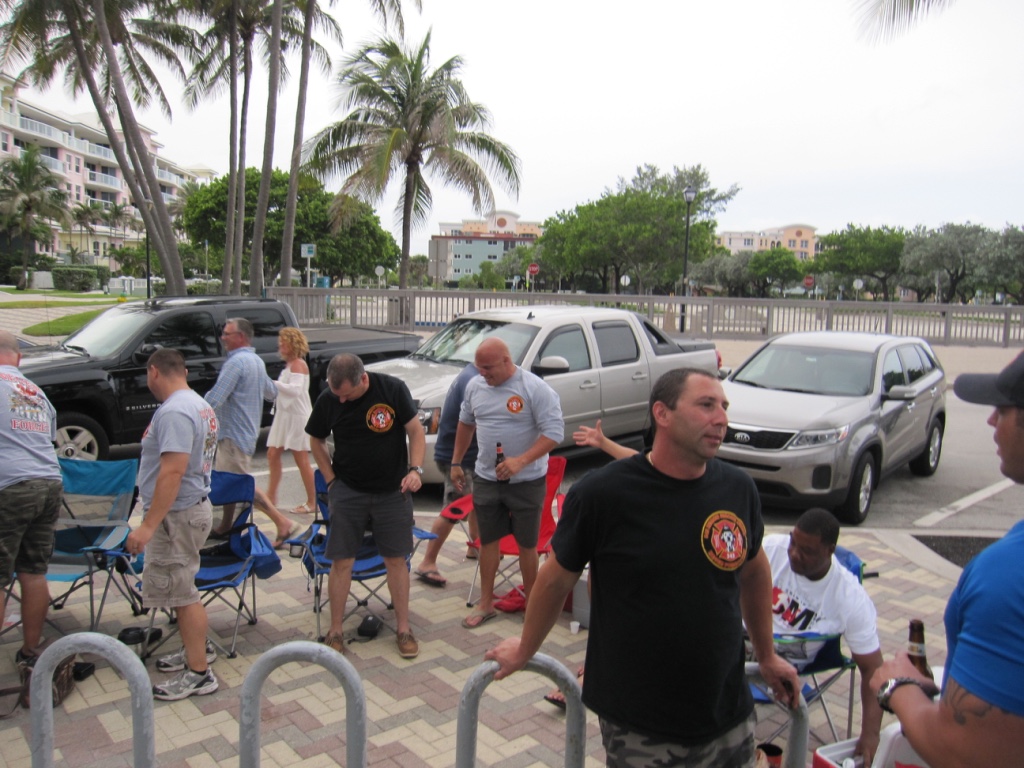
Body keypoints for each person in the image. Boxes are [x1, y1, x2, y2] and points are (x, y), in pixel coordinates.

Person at [486, 368, 800, 768]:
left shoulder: (738, 489)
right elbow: (554, 581)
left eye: (723, 406)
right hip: (640, 723)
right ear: (662, 414)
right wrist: (525, 648)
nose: (721, 418)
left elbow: (754, 573)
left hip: (726, 714)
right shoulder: (603, 494)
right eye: (706, 405)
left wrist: (767, 655)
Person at [868, 352, 1024, 767]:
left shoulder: (1005, 577)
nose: (991, 420)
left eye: (1003, 409)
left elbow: (964, 751)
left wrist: (898, 687)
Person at [306, 353, 426, 659]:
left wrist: (415, 470)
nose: (342, 400)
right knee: (341, 561)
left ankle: (403, 629)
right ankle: (335, 631)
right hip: (348, 491)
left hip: (393, 491)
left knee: (396, 560)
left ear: (363, 379)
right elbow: (315, 440)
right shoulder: (329, 399)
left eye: (347, 395)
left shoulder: (392, 389)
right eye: (337, 394)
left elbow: (416, 431)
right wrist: (331, 481)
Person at [451, 338, 564, 629]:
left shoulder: (534, 388)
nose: (483, 374)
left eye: (488, 368)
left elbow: (554, 433)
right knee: (488, 541)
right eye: (479, 368)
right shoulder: (475, 386)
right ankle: (485, 603)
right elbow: (466, 423)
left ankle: (533, 605)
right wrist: (456, 462)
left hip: (527, 481)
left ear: (506, 360)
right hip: (487, 478)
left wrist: (520, 461)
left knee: (528, 544)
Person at [126, 349, 219, 700]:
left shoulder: (176, 411)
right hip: (189, 510)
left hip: (177, 516)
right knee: (183, 589)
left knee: (182, 594)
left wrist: (148, 526)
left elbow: (173, 471)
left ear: (154, 372)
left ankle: (199, 673)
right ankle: (196, 648)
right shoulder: (199, 404)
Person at [763, 508, 883, 765]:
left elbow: (873, 669)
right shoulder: (771, 549)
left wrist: (871, 734)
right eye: (793, 542)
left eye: (806, 551)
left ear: (830, 551)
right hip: (740, 644)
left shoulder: (848, 596)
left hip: (786, 667)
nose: (794, 553)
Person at [204, 317, 299, 548]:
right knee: (231, 482)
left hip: (233, 436)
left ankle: (283, 522)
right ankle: (226, 525)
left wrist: (194, 412)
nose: (223, 338)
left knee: (242, 484)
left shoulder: (236, 363)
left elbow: (216, 397)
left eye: (227, 334)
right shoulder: (255, 361)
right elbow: (271, 392)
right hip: (244, 434)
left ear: (240, 337)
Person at [0, 330, 63, 665]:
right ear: (19, 357)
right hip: (49, 483)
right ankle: (31, 651)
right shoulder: (36, 392)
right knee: (33, 572)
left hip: (11, 487)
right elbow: (48, 439)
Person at [413, 363, 480, 587]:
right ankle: (427, 562)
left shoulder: (472, 372)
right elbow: (475, 423)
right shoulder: (473, 381)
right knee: (455, 507)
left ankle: (475, 547)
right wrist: (456, 462)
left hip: (461, 456)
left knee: (477, 500)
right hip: (457, 459)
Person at [265, 327, 316, 514]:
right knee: (272, 454)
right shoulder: (290, 365)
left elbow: (295, 390)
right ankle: (271, 497)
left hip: (297, 417)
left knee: (301, 459)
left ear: (292, 344)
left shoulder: (298, 365)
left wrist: (272, 383)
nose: (280, 345)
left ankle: (313, 502)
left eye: (283, 342)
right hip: (285, 416)